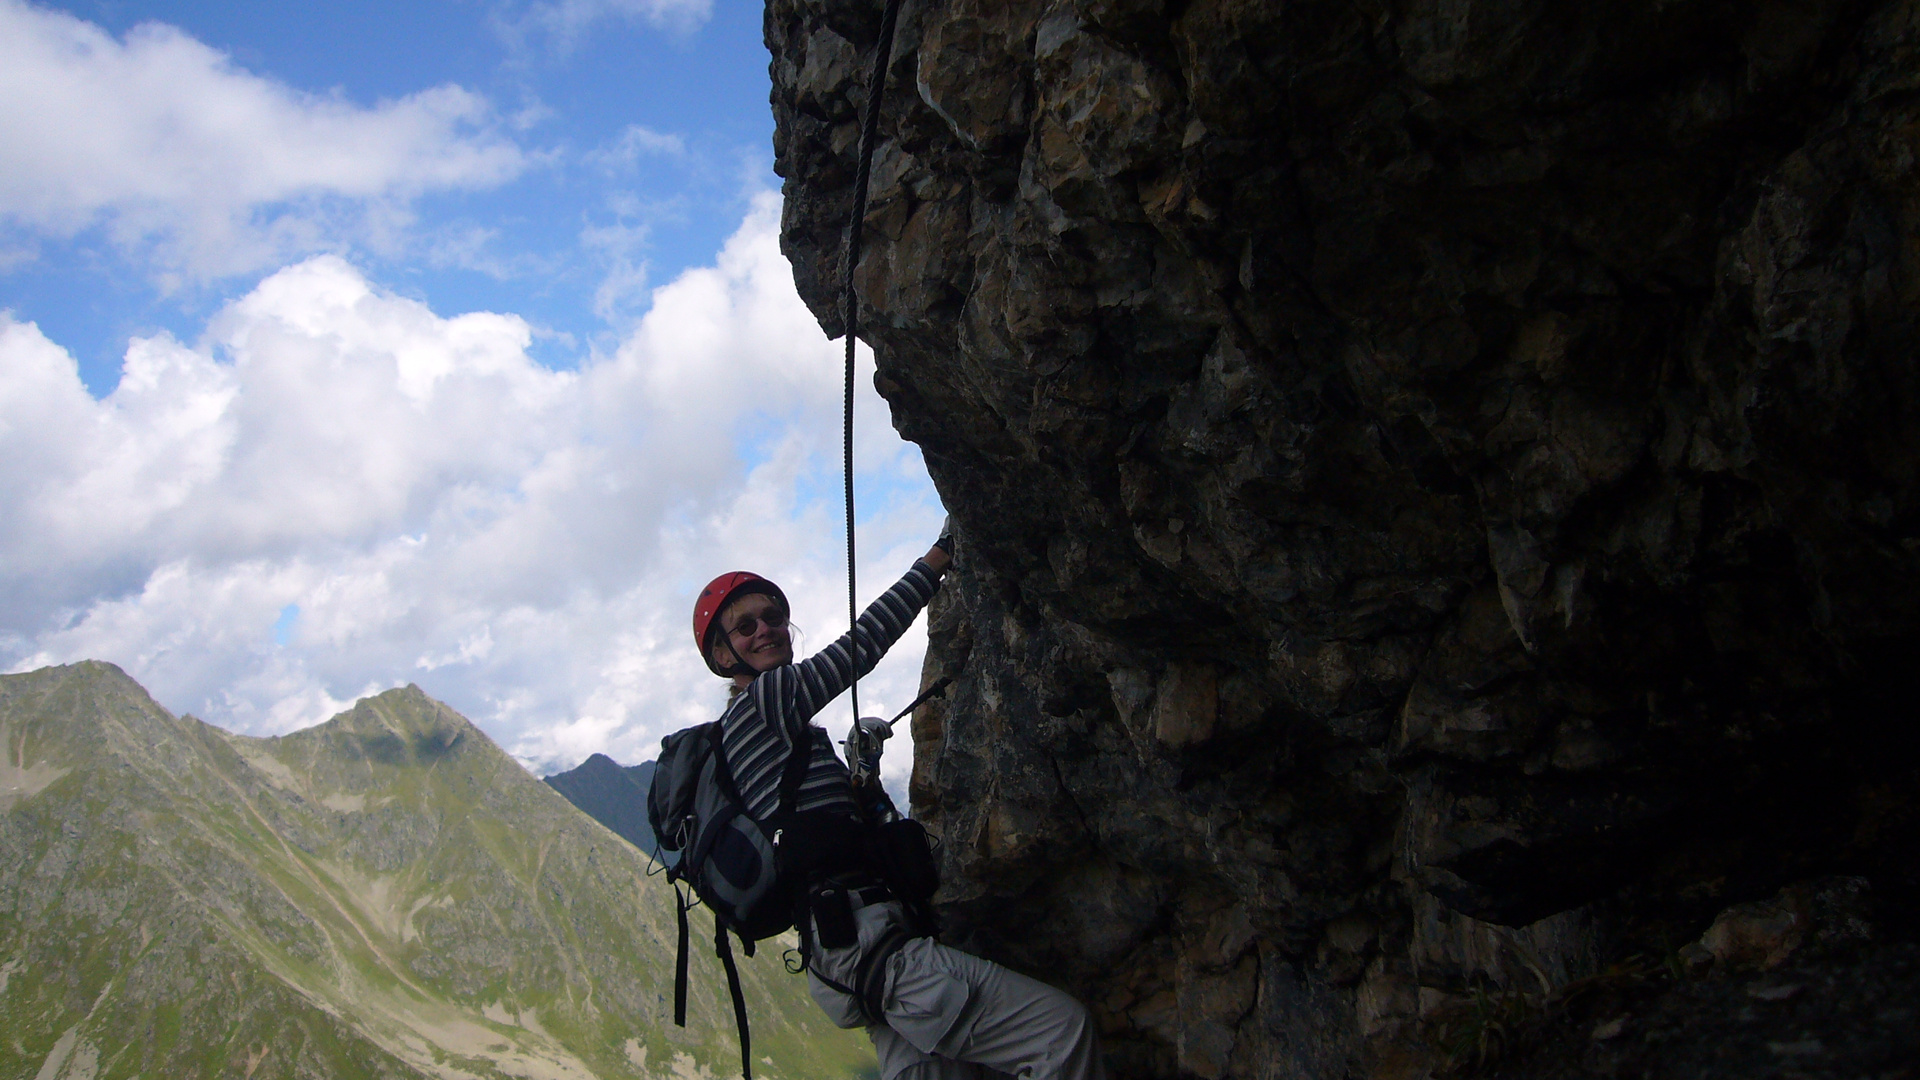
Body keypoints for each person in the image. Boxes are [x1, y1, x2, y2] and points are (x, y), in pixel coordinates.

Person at [691, 534, 1106, 1080]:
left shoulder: (760, 733)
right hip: (875, 948)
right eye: (745, 626)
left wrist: (861, 777)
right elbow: (860, 646)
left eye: (773, 617)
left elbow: (827, 832)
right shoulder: (768, 700)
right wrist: (935, 562)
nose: (765, 628)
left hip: (846, 953)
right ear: (722, 655)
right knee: (1061, 1033)